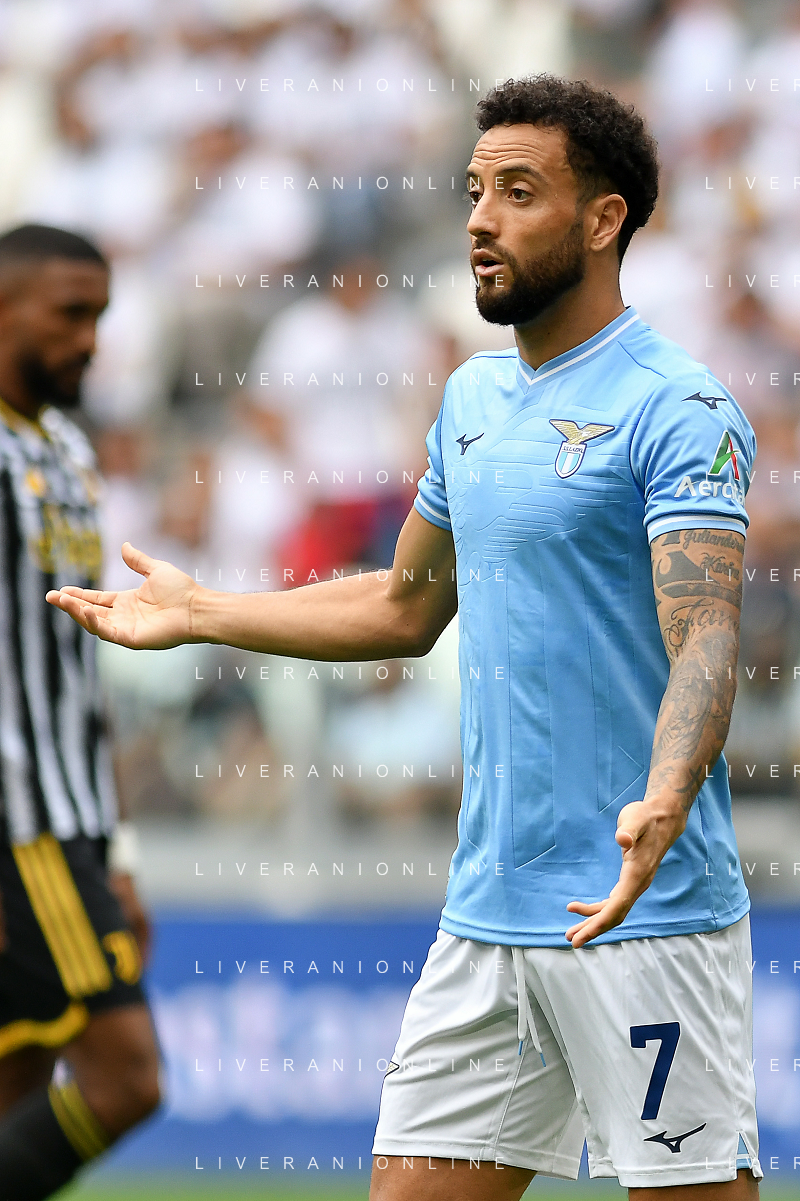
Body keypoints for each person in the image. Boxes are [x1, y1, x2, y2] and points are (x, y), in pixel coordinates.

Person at [49, 77, 760, 1200]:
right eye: (473, 190)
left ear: (603, 218)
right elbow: (403, 606)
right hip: (485, 923)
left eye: (516, 192)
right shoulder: (470, 398)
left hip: (642, 914)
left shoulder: (678, 405)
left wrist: (665, 796)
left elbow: (707, 635)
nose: (479, 218)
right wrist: (201, 613)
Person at [0, 224, 160, 1201]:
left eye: (99, 316)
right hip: (20, 827)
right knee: (127, 1078)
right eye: (68, 314)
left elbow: (74, 664)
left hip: (77, 823)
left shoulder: (65, 448)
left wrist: (119, 849)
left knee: (16, 1087)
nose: (89, 340)